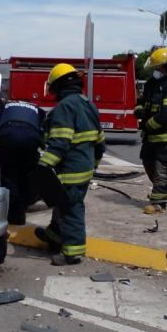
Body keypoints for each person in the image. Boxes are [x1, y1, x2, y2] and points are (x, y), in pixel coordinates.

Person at [34, 63, 105, 266]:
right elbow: (100, 141)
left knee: (70, 209)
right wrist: (95, 165)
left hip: (70, 171)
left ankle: (72, 252)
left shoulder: (64, 108)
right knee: (62, 202)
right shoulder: (87, 104)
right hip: (84, 169)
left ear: (57, 85)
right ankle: (54, 236)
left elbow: (59, 143)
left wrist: (42, 167)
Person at [134, 47, 167, 214]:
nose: (155, 70)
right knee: (148, 164)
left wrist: (149, 125)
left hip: (165, 137)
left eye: (157, 67)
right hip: (150, 137)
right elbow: (141, 100)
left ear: (166, 66)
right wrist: (139, 110)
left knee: (161, 168)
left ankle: (158, 203)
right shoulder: (152, 83)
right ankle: (165, 190)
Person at [0, 98, 45, 225]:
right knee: (26, 175)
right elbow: (43, 130)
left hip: (8, 137)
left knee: (8, 177)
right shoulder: (37, 109)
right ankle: (26, 202)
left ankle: (15, 215)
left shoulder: (4, 108)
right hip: (31, 139)